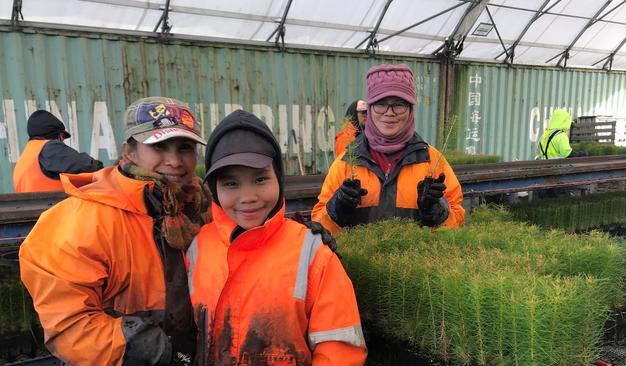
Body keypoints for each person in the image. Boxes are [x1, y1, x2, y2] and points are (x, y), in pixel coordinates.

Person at [19, 97, 212, 365]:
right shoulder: (82, 222)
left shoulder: (203, 208)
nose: (175, 160)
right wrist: (162, 352)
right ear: (129, 152)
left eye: (185, 148)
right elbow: (71, 328)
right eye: (159, 146)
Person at [187, 110, 367, 365]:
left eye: (260, 179)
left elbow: (340, 351)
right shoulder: (197, 247)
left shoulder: (313, 254)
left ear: (279, 179)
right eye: (231, 184)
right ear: (214, 189)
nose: (248, 196)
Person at [312, 63, 465, 236]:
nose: (389, 113)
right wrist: (335, 209)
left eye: (399, 104)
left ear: (410, 109)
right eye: (380, 103)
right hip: (358, 263)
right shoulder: (346, 163)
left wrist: (438, 211)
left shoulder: (433, 161)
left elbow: (457, 222)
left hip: (418, 262)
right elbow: (319, 227)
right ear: (370, 109)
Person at [13, 110, 104, 192]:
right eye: (62, 137)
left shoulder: (26, 156)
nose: (63, 142)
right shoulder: (50, 149)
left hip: (33, 209)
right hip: (54, 208)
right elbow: (89, 166)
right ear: (58, 136)